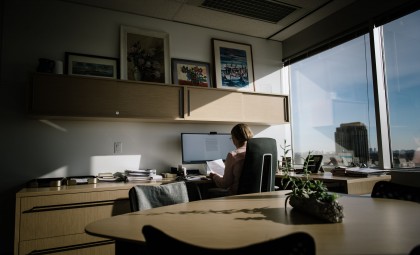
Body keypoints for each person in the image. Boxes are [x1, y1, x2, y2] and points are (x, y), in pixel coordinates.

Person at [209, 123, 254, 195]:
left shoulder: (233, 155)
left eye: (232, 137)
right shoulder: (256, 152)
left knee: (206, 191)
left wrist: (214, 176)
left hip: (236, 195)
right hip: (256, 196)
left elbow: (225, 184)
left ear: (235, 138)